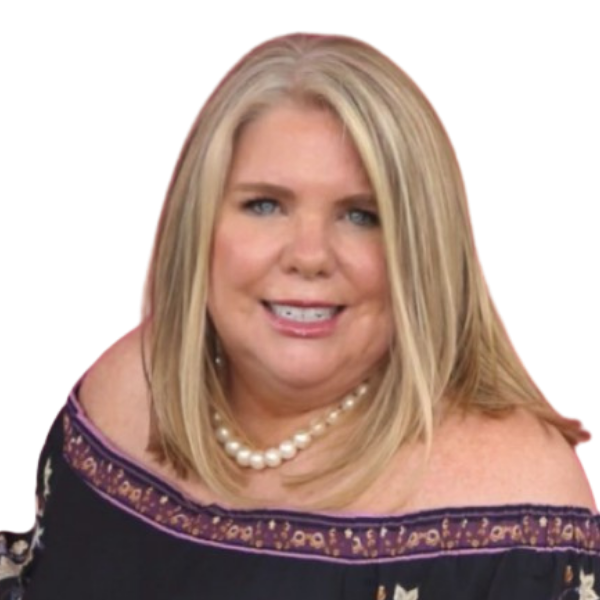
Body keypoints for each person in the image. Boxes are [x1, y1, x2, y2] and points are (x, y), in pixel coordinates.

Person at [1, 31, 598, 599]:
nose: (309, 256)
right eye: (265, 205)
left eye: (361, 215)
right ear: (198, 226)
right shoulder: (125, 391)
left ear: (425, 252)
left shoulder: (524, 504)